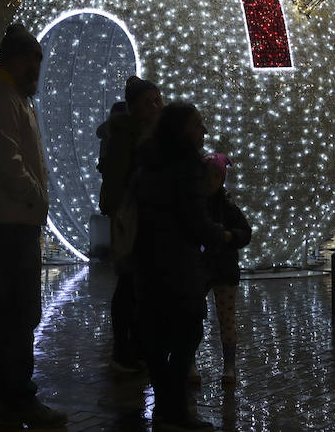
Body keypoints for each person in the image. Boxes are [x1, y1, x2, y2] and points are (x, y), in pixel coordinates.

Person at [0, 24, 66, 428]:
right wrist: (35, 195)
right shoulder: (1, 98)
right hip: (8, 219)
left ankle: (4, 395)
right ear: (18, 60)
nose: (37, 71)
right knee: (15, 312)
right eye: (34, 61)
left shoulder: (12, 97)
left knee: (12, 311)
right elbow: (6, 160)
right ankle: (10, 396)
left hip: (15, 218)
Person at [132, 101, 231, 431]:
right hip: (178, 264)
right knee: (188, 333)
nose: (204, 130)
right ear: (181, 129)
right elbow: (194, 220)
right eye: (198, 124)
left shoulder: (148, 161)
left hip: (148, 263)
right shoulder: (186, 166)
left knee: (157, 339)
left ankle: (164, 407)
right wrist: (221, 235)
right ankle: (175, 411)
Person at [96, 75, 163, 374]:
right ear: (134, 107)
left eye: (158, 100)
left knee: (140, 287)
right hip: (131, 220)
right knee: (128, 285)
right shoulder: (126, 137)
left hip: (146, 220)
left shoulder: (152, 135)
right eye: (149, 102)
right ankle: (123, 351)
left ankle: (136, 347)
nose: (156, 107)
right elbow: (115, 184)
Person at [200, 151, 251, 388]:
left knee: (227, 319)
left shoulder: (228, 207)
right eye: (204, 176)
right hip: (199, 270)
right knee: (192, 318)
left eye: (213, 176)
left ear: (221, 179)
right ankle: (190, 362)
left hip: (223, 270)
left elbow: (245, 232)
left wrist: (230, 236)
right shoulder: (194, 205)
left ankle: (229, 366)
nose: (208, 181)